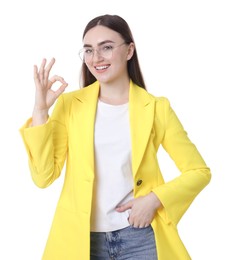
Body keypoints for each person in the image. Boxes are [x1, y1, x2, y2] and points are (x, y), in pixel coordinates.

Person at [20, 14, 211, 260]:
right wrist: (40, 111)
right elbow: (43, 177)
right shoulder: (70, 105)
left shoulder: (156, 108)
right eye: (89, 50)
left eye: (107, 48)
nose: (96, 58)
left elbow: (199, 171)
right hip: (81, 242)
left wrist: (154, 199)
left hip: (140, 239)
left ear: (129, 50)